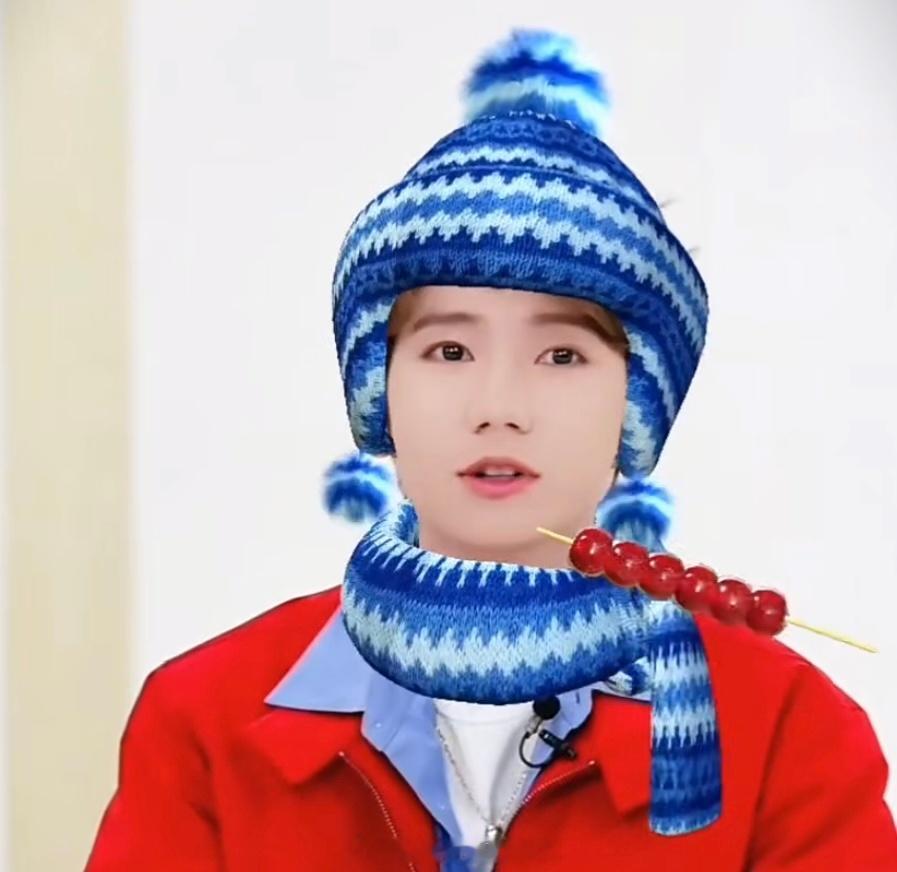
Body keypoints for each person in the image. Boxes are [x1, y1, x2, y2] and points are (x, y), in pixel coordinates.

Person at [86, 29, 897, 871]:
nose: (498, 409)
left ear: (635, 406)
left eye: (561, 357)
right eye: (449, 351)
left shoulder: (787, 732)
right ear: (379, 391)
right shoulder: (203, 719)